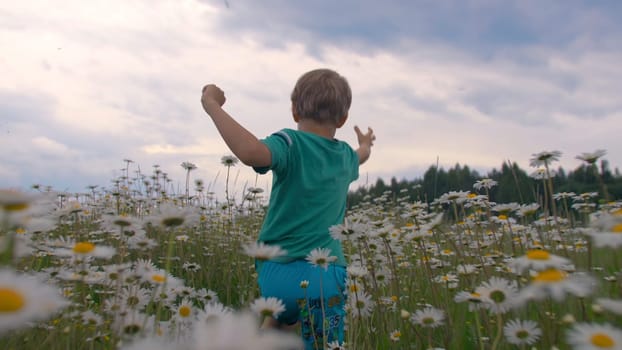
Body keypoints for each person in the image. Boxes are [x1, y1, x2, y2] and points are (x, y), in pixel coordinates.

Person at [201, 68, 375, 349]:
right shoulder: (345, 156)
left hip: (278, 275)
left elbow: (249, 152)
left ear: (294, 111)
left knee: (279, 325)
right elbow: (361, 156)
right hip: (327, 279)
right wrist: (365, 143)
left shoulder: (290, 144)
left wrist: (211, 105)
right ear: (342, 120)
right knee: (325, 344)